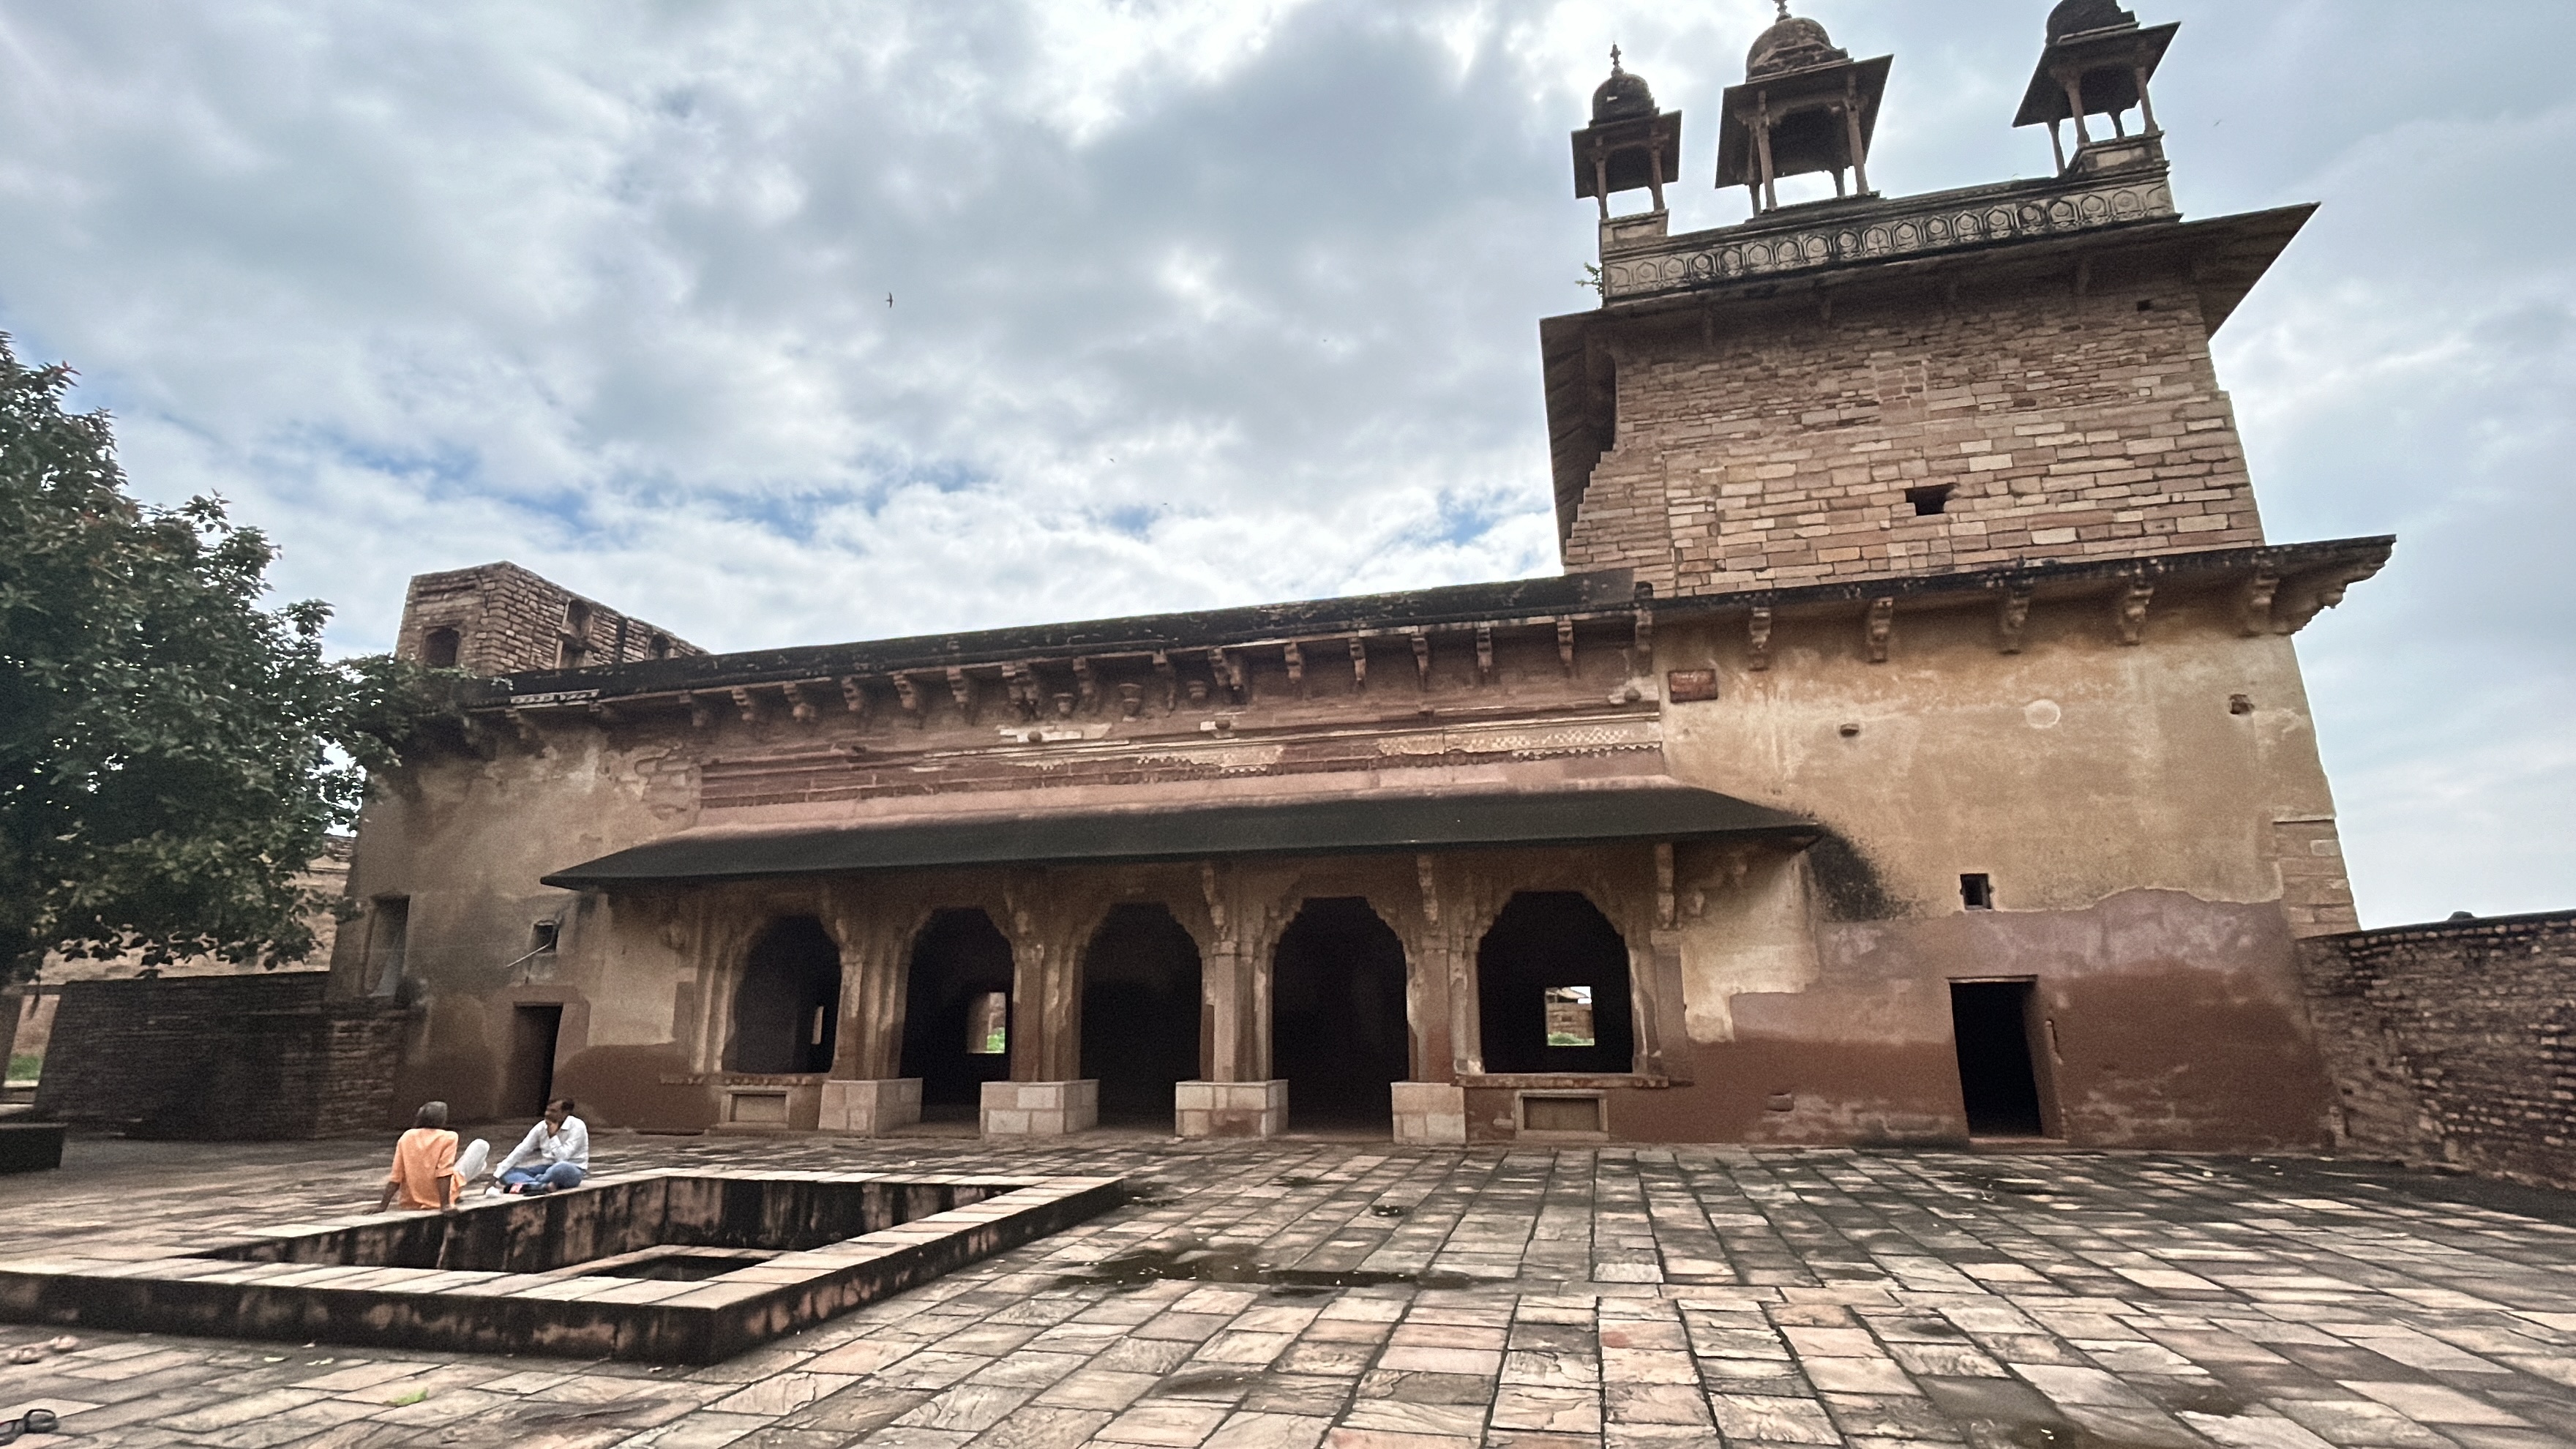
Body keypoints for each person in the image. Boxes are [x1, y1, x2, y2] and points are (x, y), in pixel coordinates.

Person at [488, 1097, 589, 1196]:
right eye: (547, 1110)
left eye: (553, 1111)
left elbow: (562, 1158)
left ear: (565, 1114)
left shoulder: (578, 1126)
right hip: (546, 1168)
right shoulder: (541, 1126)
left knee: (560, 1168)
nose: (547, 1114)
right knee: (506, 1173)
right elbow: (522, 1149)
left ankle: (534, 1183)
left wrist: (553, 1136)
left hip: (571, 1170)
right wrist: (495, 1176)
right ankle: (541, 1186)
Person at [376, 1101, 461, 1213]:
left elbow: (396, 1176)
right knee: (480, 1146)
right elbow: (444, 1173)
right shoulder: (449, 1137)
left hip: (410, 1201)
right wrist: (445, 1205)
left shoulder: (407, 1136)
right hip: (438, 1199)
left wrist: (382, 1206)